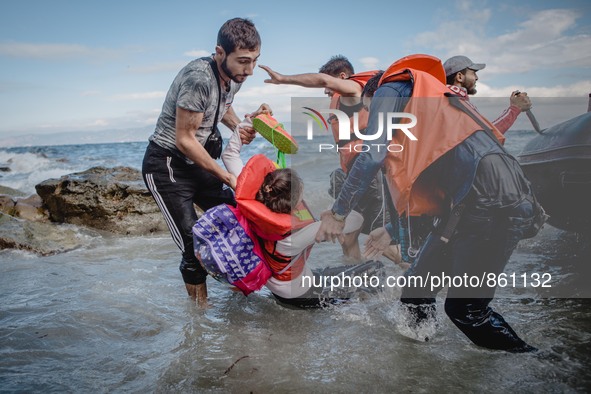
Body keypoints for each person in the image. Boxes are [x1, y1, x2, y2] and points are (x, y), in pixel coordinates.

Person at [316, 54, 545, 352]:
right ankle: (419, 361)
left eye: (373, 114)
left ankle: (534, 362)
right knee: (415, 290)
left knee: (466, 311)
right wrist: (390, 228)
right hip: (472, 201)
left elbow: (372, 153)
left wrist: (337, 213)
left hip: (491, 201)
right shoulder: (430, 106)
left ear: (375, 96)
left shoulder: (391, 88)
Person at [141, 18, 270, 306]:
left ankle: (241, 291)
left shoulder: (232, 78)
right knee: (193, 243)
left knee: (241, 212)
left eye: (255, 61)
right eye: (243, 61)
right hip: (167, 166)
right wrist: (227, 176)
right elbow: (185, 139)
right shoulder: (198, 78)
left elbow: (222, 107)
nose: (249, 70)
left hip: (197, 164)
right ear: (220, 52)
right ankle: (198, 319)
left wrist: (243, 127)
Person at [218, 123, 379, 308]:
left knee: (340, 273)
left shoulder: (255, 202)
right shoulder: (292, 237)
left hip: (282, 287)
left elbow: (229, 155)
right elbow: (357, 220)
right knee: (374, 271)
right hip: (301, 296)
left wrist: (247, 125)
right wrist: (333, 217)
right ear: (294, 205)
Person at [260, 56, 402, 265]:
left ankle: (419, 274)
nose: (326, 91)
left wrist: (283, 79)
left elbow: (325, 82)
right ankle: (359, 284)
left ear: (342, 77)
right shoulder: (340, 102)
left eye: (329, 84)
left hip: (370, 179)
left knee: (380, 240)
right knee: (347, 236)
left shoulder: (354, 90)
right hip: (352, 177)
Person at [444, 55, 532, 134]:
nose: (477, 77)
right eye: (473, 73)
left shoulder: (446, 99)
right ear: (460, 77)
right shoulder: (456, 101)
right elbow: (487, 136)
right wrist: (516, 108)